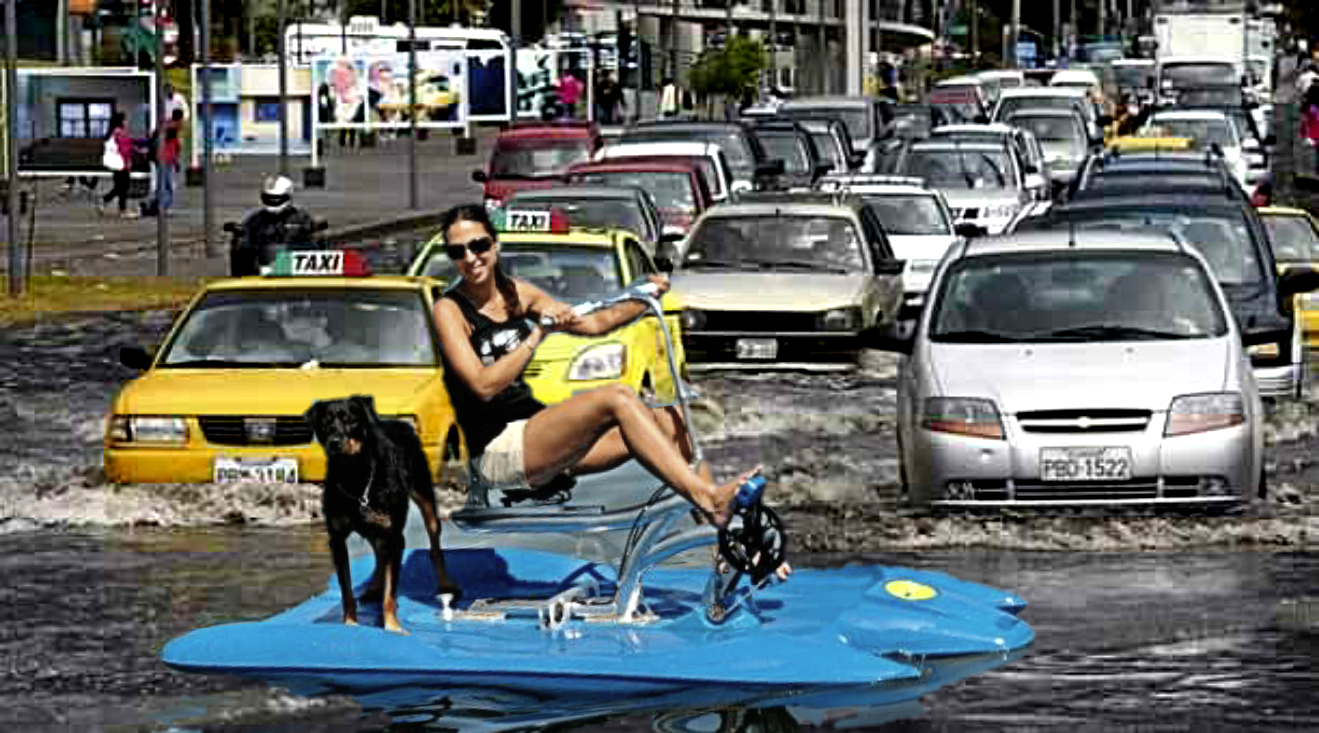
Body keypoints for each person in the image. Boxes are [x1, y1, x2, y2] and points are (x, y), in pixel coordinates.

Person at [433, 203, 775, 533]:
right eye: (457, 252)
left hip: (539, 437)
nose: (470, 258)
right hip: (498, 452)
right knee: (618, 397)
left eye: (478, 245)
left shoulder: (517, 293)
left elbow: (596, 323)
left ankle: (721, 541)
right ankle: (709, 500)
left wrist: (643, 299)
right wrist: (538, 334)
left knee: (674, 421)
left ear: (495, 244)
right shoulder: (449, 310)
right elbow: (482, 385)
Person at [235, 175, 319, 274]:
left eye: (276, 198)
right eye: (269, 198)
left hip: (295, 267)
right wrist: (239, 234)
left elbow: (312, 244)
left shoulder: (302, 218)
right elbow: (245, 240)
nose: (273, 201)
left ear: (288, 196)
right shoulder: (255, 219)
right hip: (260, 268)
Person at [97, 111, 144, 220]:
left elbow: (128, 144)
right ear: (121, 121)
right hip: (122, 163)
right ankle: (122, 211)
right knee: (123, 187)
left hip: (116, 163)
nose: (126, 122)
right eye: (125, 119)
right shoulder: (120, 132)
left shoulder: (113, 132)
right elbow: (125, 149)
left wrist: (138, 149)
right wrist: (129, 161)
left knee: (119, 187)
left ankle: (104, 201)